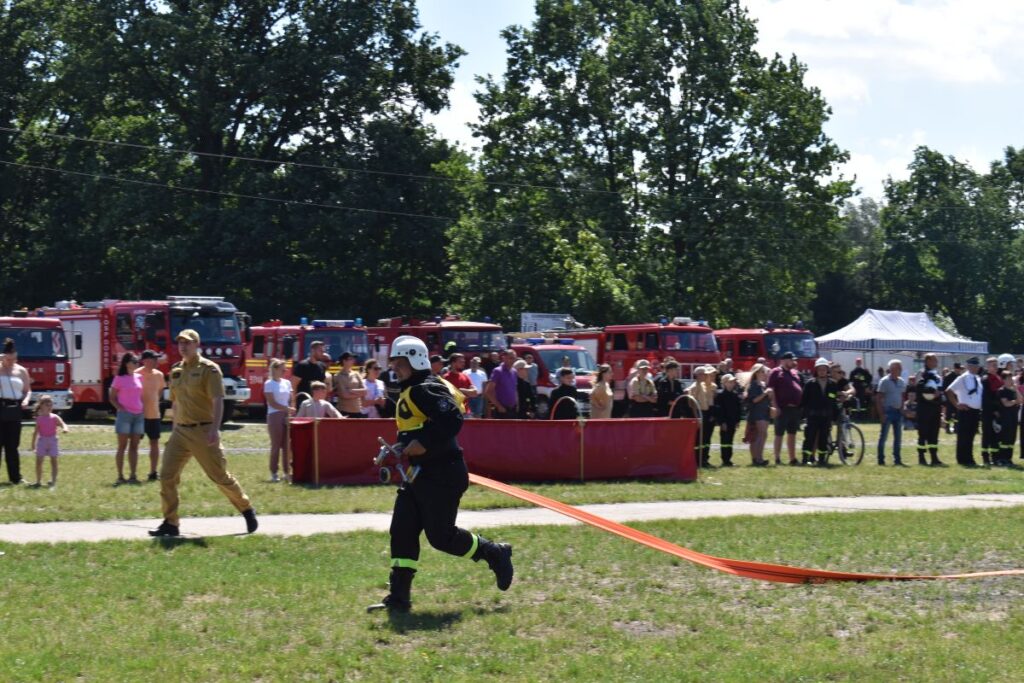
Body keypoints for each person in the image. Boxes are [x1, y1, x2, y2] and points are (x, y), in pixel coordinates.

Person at [367, 335, 513, 613]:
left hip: (442, 474)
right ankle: (399, 598)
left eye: (399, 363)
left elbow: (451, 419)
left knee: (441, 537)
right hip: (420, 474)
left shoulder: (426, 387)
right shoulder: (415, 388)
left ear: (414, 360)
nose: (394, 369)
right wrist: (402, 445)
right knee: (402, 530)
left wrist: (423, 442)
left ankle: (494, 552)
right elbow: (422, 428)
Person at [149, 329, 257, 537]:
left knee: (219, 476)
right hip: (181, 431)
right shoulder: (176, 370)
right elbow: (175, 402)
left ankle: (246, 508)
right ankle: (171, 523)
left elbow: (218, 400)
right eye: (180, 342)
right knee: (167, 476)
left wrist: (215, 429)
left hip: (203, 430)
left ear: (197, 344)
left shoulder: (209, 369)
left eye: (187, 343)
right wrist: (174, 429)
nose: (183, 346)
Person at [111, 352, 145, 484]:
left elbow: (140, 395)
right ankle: (120, 476)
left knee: (135, 446)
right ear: (127, 363)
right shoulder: (119, 378)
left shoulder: (139, 377)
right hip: (125, 415)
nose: (137, 364)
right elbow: (112, 397)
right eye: (134, 361)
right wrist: (120, 408)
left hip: (138, 415)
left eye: (137, 361)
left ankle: (133, 475)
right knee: (122, 446)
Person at [0, 338, 31, 484]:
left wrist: (25, 400)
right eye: (8, 359)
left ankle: (15, 477)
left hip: (15, 408)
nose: (11, 362)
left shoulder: (21, 371)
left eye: (14, 359)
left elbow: (27, 390)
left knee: (13, 446)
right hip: (1, 404)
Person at [800, 358, 838, 466]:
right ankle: (805, 459)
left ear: (827, 370)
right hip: (812, 416)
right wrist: (803, 416)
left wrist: (834, 417)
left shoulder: (832, 385)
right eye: (820, 369)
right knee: (809, 438)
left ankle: (821, 459)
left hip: (826, 417)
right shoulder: (810, 384)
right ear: (816, 370)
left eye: (824, 369)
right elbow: (804, 401)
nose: (822, 371)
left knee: (823, 439)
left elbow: (833, 401)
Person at [946, 357, 982, 467]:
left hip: (975, 411)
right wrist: (957, 405)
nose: (975, 368)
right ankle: (962, 459)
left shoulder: (977, 378)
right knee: (964, 436)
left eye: (976, 366)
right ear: (968, 366)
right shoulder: (963, 378)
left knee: (971, 436)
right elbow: (949, 391)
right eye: (973, 366)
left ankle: (969, 458)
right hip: (966, 411)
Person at [768, 352, 803, 466]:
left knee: (792, 433)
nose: (794, 362)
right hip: (782, 408)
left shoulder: (794, 373)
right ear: (784, 360)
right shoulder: (776, 372)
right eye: (791, 360)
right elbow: (771, 389)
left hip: (794, 409)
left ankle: (792, 458)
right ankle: (777, 458)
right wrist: (775, 406)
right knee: (779, 433)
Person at [263, 358, 294, 482]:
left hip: (286, 414)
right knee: (276, 445)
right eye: (282, 369)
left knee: (287, 445)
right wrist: (286, 408)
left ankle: (287, 472)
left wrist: (290, 409)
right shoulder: (269, 384)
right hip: (274, 415)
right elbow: (272, 402)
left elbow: (291, 397)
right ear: (275, 369)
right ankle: (274, 472)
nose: (285, 371)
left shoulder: (287, 382)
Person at [137, 350, 165, 481]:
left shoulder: (159, 375)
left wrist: (154, 403)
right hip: (138, 415)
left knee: (154, 442)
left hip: (154, 414)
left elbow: (160, 391)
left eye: (156, 359)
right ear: (145, 360)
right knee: (135, 443)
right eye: (153, 359)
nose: (156, 362)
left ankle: (153, 472)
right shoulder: (136, 374)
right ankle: (133, 473)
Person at [30, 395, 67, 488]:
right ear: (41, 406)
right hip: (42, 441)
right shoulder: (39, 419)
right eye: (47, 405)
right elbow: (35, 432)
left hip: (52, 441)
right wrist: (33, 445)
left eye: (51, 405)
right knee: (39, 462)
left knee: (53, 461)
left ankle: (53, 481)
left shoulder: (55, 417)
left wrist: (65, 429)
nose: (50, 407)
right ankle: (38, 481)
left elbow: (63, 424)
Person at [915, 353, 945, 466]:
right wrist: (932, 392)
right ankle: (921, 457)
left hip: (935, 408)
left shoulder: (937, 376)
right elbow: (920, 388)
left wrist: (939, 395)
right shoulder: (922, 374)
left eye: (936, 360)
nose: (936, 362)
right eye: (933, 360)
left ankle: (934, 457)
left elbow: (941, 388)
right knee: (923, 433)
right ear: (927, 362)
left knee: (934, 433)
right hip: (924, 409)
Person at [875, 359, 907, 466]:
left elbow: (902, 397)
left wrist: (902, 408)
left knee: (898, 437)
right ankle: (881, 459)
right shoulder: (884, 381)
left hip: (898, 412)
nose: (901, 370)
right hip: (888, 411)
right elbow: (878, 398)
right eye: (899, 368)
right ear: (892, 369)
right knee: (883, 436)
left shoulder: (902, 382)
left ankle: (897, 459)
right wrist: (881, 414)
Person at [742, 364, 772, 467]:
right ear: (757, 373)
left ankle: (758, 458)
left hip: (764, 412)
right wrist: (765, 393)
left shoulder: (762, 384)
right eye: (762, 371)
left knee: (762, 435)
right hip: (757, 413)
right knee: (760, 435)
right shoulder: (754, 385)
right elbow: (754, 400)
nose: (765, 373)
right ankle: (757, 459)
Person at [687, 366, 717, 467]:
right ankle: (697, 460)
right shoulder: (694, 387)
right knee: (698, 438)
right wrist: (697, 418)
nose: (706, 376)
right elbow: (692, 404)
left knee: (705, 438)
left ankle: (704, 459)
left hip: (705, 412)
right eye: (704, 374)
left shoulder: (704, 386)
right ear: (698, 375)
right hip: (699, 414)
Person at [980, 356, 1003, 466]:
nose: (996, 367)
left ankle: (995, 457)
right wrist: (994, 410)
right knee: (987, 434)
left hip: (998, 411)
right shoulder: (985, 379)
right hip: (988, 412)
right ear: (988, 367)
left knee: (996, 435)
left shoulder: (998, 378)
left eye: (996, 365)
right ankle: (985, 458)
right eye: (993, 365)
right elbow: (987, 398)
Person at [716, 374, 742, 467]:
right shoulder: (720, 395)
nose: (732, 384)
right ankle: (724, 459)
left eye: (733, 382)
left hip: (732, 421)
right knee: (724, 440)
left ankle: (729, 459)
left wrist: (738, 421)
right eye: (730, 382)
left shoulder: (735, 395)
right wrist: (722, 422)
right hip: (725, 422)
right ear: (724, 383)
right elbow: (719, 410)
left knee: (730, 440)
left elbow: (738, 409)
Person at [996, 370, 1021, 466]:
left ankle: (1008, 458)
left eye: (1011, 378)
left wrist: (1016, 389)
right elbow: (1006, 404)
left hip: (1013, 418)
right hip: (1005, 418)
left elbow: (1021, 400)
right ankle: (1002, 458)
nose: (1011, 380)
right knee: (1005, 439)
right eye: (1009, 378)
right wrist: (1015, 402)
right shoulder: (1001, 390)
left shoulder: (1012, 390)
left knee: (1011, 439)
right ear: (1004, 380)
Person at [484, 349, 518, 419]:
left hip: (513, 408)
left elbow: (514, 389)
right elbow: (488, 392)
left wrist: (517, 404)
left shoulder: (514, 371)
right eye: (510, 358)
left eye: (514, 358)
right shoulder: (498, 371)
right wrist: (499, 406)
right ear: (504, 358)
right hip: (501, 410)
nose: (513, 360)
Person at [336, 351, 367, 418]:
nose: (353, 360)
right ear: (344, 361)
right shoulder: (338, 376)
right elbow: (344, 395)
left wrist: (351, 390)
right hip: (344, 411)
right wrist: (359, 393)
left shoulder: (356, 374)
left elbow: (365, 391)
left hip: (357, 410)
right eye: (351, 359)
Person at [849, 357, 873, 421]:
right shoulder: (853, 372)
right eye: (857, 361)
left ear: (861, 362)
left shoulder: (864, 371)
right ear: (856, 362)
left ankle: (863, 416)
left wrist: (866, 386)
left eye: (859, 361)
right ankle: (854, 415)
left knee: (862, 402)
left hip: (862, 389)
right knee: (854, 401)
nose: (858, 363)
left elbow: (869, 379)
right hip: (855, 389)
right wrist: (851, 388)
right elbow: (850, 381)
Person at [942, 363, 963, 434]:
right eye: (958, 368)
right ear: (955, 368)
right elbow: (944, 388)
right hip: (950, 398)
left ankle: (956, 428)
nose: (959, 370)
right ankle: (947, 428)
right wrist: (947, 397)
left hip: (958, 398)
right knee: (949, 414)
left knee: (957, 414)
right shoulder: (948, 376)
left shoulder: (960, 376)